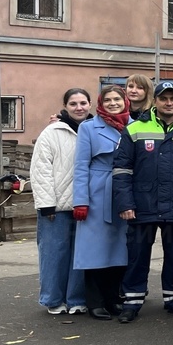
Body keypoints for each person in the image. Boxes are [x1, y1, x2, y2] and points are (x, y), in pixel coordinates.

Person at [112, 81, 173, 322]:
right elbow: (122, 169)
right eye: (163, 98)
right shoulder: (135, 128)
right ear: (155, 101)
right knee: (137, 255)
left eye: (172, 99)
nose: (168, 103)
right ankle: (132, 302)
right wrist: (125, 204)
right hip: (142, 204)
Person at [72, 84, 131, 320]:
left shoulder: (134, 125)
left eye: (117, 99)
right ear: (100, 103)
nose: (113, 103)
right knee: (94, 250)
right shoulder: (88, 127)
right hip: (97, 192)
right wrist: (81, 201)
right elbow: (80, 166)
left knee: (120, 249)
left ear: (125, 102)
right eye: (107, 100)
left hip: (125, 191)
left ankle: (113, 298)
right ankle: (95, 302)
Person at [31, 88, 92, 315]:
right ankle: (53, 299)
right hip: (56, 206)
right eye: (73, 103)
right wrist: (46, 204)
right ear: (65, 106)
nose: (79, 108)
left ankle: (76, 298)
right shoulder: (52, 132)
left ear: (90, 105)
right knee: (53, 254)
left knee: (80, 256)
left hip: (84, 204)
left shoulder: (93, 130)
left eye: (83, 103)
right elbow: (41, 170)